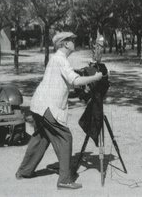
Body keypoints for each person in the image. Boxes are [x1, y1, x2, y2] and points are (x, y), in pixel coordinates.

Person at [16, 32, 103, 190]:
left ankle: (24, 171)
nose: (73, 42)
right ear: (65, 44)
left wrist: (84, 73)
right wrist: (95, 78)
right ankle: (64, 180)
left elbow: (68, 77)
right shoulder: (60, 59)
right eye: (71, 40)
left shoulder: (57, 58)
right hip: (48, 107)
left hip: (39, 105)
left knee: (41, 138)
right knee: (65, 137)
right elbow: (74, 80)